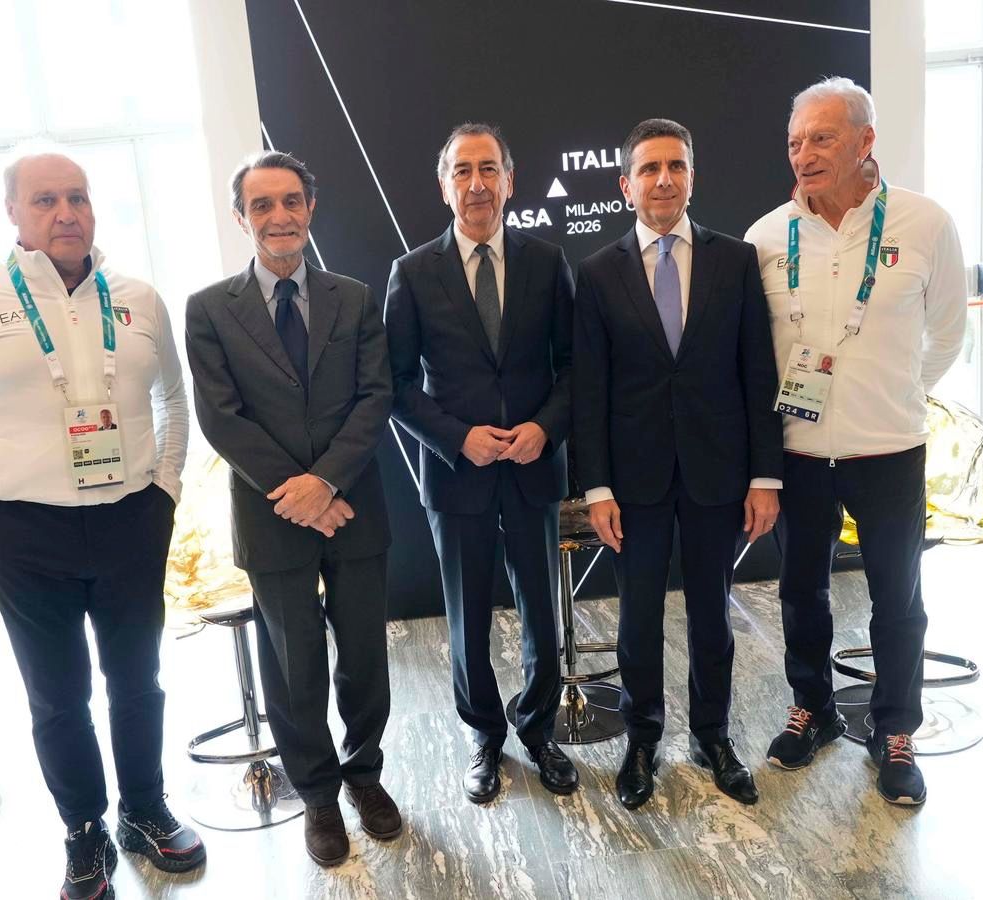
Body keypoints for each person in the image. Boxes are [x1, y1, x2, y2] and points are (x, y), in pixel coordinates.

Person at [0, 149, 203, 900]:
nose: (66, 213)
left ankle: (144, 808)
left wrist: (165, 490)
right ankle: (83, 829)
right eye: (45, 200)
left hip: (131, 522)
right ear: (12, 212)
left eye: (78, 197)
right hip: (23, 534)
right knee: (57, 695)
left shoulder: (138, 298)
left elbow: (174, 397)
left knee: (139, 680)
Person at [745, 77, 966, 806]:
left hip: (889, 451)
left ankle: (895, 729)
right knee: (800, 592)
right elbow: (754, 352)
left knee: (897, 597)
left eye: (822, 138)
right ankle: (811, 709)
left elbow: (947, 334)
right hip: (799, 454)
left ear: (865, 140)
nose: (803, 154)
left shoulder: (924, 222)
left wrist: (893, 394)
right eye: (794, 142)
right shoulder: (766, 236)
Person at [185, 151, 399, 867]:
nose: (279, 216)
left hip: (353, 508)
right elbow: (221, 417)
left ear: (310, 208)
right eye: (262, 204)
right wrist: (300, 493)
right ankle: (317, 795)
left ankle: (364, 775)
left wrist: (327, 483)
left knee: (364, 657)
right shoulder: (210, 309)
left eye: (290, 201)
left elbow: (375, 397)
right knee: (292, 665)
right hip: (270, 514)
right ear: (240, 216)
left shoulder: (355, 298)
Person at [574, 118, 782, 810]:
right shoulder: (597, 273)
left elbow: (757, 371)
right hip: (632, 484)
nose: (663, 179)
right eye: (649, 168)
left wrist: (764, 476)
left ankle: (712, 736)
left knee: (712, 616)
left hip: (717, 475)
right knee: (636, 620)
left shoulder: (734, 260)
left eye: (675, 166)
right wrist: (596, 487)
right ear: (625, 185)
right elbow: (589, 391)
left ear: (692, 176)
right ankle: (642, 741)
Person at [384, 123, 577, 804]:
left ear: (509, 181)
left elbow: (574, 366)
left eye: (488, 169)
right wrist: (456, 437)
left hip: (532, 467)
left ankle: (539, 729)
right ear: (444, 187)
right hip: (456, 472)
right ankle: (484, 736)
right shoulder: (412, 272)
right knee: (466, 618)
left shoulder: (546, 262)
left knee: (542, 614)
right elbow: (395, 384)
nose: (476, 184)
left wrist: (544, 428)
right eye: (462, 171)